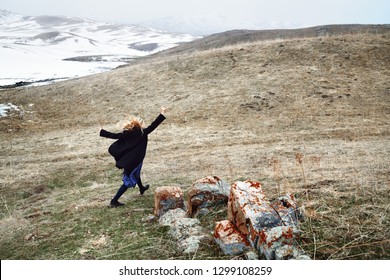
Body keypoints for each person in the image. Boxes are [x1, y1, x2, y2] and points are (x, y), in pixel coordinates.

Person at [100, 106, 166, 207]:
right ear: (140, 125)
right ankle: (114, 201)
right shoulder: (143, 133)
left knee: (135, 173)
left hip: (129, 160)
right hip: (134, 161)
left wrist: (102, 131)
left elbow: (114, 135)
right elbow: (154, 125)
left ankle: (141, 188)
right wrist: (162, 114)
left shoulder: (127, 133)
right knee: (128, 181)